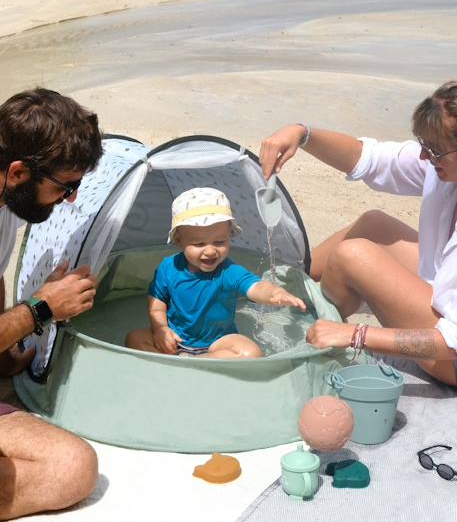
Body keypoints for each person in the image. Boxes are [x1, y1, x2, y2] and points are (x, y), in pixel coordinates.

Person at [260, 81, 457, 387]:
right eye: (423, 145)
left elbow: (451, 343)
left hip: (451, 358)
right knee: (373, 223)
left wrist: (356, 336)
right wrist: (302, 133)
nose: (423, 157)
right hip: (446, 301)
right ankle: (275, 287)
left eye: (434, 150)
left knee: (353, 256)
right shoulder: (443, 167)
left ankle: (315, 331)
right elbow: (370, 159)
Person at [0, 88, 103, 520]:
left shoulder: (6, 202)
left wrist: (6, 360)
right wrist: (40, 310)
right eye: (66, 186)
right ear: (20, 172)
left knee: (71, 467)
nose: (72, 198)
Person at [125, 187, 306, 358]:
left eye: (220, 242)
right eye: (199, 244)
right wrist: (161, 330)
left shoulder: (228, 271)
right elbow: (157, 305)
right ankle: (188, 362)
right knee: (134, 338)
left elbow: (256, 287)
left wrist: (275, 293)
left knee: (251, 353)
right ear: (179, 240)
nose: (210, 251)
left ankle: (192, 361)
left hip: (218, 343)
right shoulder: (168, 268)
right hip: (175, 339)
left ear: (229, 237)